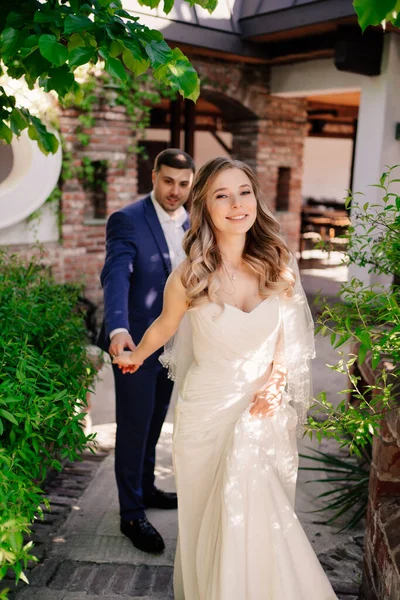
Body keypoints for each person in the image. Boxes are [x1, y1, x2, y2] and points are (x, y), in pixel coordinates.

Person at [114, 157, 338, 600]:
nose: (237, 204)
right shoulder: (190, 275)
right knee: (207, 518)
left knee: (253, 511)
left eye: (244, 192)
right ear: (206, 208)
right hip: (204, 413)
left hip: (259, 411)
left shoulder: (278, 264)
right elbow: (164, 325)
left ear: (256, 199)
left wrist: (277, 379)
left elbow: (288, 334)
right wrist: (136, 354)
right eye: (222, 194)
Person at [98, 148, 195, 554]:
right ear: (154, 175)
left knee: (156, 421)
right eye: (168, 180)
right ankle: (131, 514)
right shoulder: (127, 219)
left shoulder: (196, 221)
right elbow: (115, 274)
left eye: (184, 184)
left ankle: (147, 486)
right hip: (136, 344)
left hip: (177, 342)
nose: (175, 191)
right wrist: (118, 328)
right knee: (134, 425)